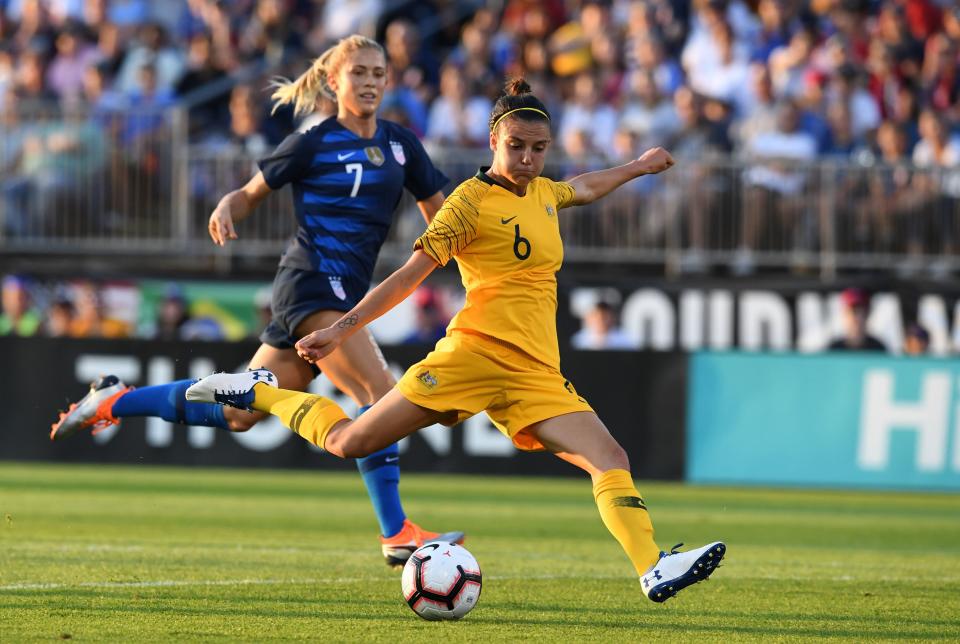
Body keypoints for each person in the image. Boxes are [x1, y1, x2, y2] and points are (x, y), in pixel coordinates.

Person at [187, 78, 726, 602]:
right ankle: (257, 392)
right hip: (474, 356)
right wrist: (339, 328)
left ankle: (652, 567)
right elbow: (407, 276)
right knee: (350, 442)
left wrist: (637, 167)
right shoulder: (468, 202)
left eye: (538, 149)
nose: (527, 159)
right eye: (515, 147)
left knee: (610, 456)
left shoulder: (542, 193)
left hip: (535, 372)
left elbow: (582, 187)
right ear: (494, 141)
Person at [49, 35, 462, 568]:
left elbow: (445, 218)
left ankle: (111, 401)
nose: (370, 82)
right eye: (358, 72)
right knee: (380, 396)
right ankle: (396, 532)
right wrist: (226, 210)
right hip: (311, 284)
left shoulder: (403, 145)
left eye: (379, 73)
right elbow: (247, 193)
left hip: (341, 293)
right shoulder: (312, 142)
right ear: (334, 82)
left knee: (240, 413)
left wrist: (465, 246)